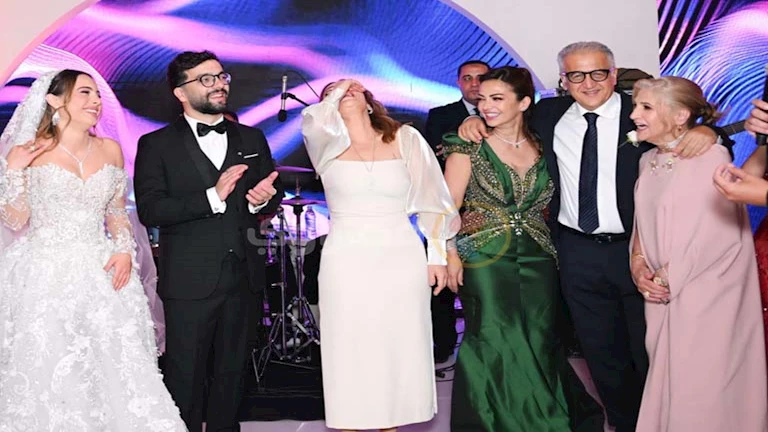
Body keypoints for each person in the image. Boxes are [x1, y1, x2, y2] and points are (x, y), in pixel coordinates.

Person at [459, 41, 727, 431]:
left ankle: (661, 422)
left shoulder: (640, 114)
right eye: (576, 75)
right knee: (601, 353)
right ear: (563, 80)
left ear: (614, 75)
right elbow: (503, 116)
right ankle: (624, 423)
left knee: (650, 348)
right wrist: (473, 123)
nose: (588, 83)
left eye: (598, 72)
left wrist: (707, 132)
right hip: (576, 252)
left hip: (638, 250)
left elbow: (686, 125)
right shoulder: (548, 114)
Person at [0, 70, 186, 430]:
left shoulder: (110, 149)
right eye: (85, 93)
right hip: (44, 272)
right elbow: (15, 219)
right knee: (52, 364)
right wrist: (14, 171)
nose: (96, 102)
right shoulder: (29, 152)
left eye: (98, 94)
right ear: (54, 100)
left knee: (115, 364)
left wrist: (124, 250)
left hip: (101, 269)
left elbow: (116, 212)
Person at [134, 51, 283, 432]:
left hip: (244, 277)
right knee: (184, 377)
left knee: (232, 378)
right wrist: (211, 197)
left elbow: (271, 191)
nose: (219, 84)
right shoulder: (156, 144)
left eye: (221, 76)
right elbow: (151, 210)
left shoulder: (252, 137)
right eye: (206, 79)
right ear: (180, 92)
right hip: (189, 280)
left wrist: (263, 200)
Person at [301, 78, 458, 432]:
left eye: (354, 88)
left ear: (371, 102)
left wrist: (437, 254)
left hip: (401, 255)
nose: (345, 91)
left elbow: (433, 198)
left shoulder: (406, 138)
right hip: (346, 258)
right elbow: (312, 119)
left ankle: (391, 424)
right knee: (349, 344)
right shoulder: (323, 144)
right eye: (334, 91)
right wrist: (339, 91)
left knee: (397, 343)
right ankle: (350, 423)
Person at [443, 65, 577, 431]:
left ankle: (542, 418)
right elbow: (447, 206)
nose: (485, 106)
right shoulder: (467, 145)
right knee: (492, 336)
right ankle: (489, 422)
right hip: (483, 255)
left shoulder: (545, 144)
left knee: (538, 337)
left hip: (539, 255)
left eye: (497, 98)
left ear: (524, 103)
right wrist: (448, 253)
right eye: (482, 99)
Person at [629, 76, 767, 431]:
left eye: (646, 107)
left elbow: (718, 232)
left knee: (702, 384)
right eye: (636, 106)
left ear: (680, 116)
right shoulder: (647, 160)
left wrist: (667, 276)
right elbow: (642, 223)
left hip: (706, 292)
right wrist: (638, 265)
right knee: (669, 377)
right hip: (660, 293)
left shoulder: (711, 156)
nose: (634, 115)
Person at [424, 59, 489, 364]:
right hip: (448, 206)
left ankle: (487, 345)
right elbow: (431, 158)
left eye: (480, 78)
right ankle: (443, 343)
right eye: (468, 78)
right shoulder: (441, 115)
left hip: (491, 212)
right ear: (458, 82)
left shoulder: (503, 113)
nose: (474, 84)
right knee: (441, 279)